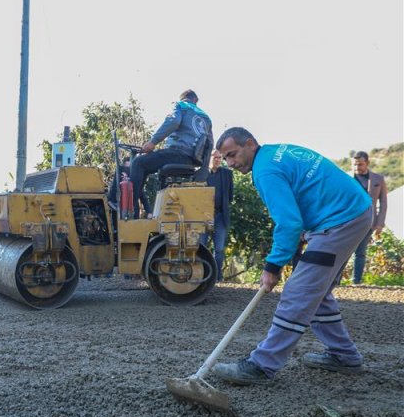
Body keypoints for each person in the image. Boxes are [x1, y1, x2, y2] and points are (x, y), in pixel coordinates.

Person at [210, 128, 372, 385]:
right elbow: (300, 207)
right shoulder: (274, 154)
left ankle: (261, 366)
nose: (230, 163)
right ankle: (344, 356)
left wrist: (272, 266)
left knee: (298, 292)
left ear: (250, 144)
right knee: (315, 293)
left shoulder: (265, 171)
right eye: (226, 158)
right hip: (351, 212)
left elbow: (288, 222)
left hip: (341, 219)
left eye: (233, 154)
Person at [130, 89, 213, 218]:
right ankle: (149, 211)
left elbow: (173, 121)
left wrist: (153, 142)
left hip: (176, 154)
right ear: (195, 101)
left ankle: (129, 211)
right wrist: (203, 170)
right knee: (145, 168)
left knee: (138, 163)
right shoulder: (206, 118)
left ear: (183, 99)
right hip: (191, 161)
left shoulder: (181, 105)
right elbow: (210, 144)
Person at [350, 151, 387, 284]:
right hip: (348, 221)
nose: (357, 168)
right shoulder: (346, 178)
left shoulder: (378, 179)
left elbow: (383, 202)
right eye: (354, 165)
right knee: (343, 251)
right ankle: (336, 281)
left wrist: (380, 223)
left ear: (367, 163)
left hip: (369, 221)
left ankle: (356, 281)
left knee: (360, 252)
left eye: (360, 164)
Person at [199, 150, 234, 281]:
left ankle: (216, 276)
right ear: (209, 159)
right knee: (201, 247)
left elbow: (230, 196)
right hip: (203, 217)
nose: (218, 160)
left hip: (220, 216)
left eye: (220, 158)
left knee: (219, 249)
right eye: (215, 158)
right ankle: (203, 275)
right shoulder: (201, 174)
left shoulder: (227, 174)